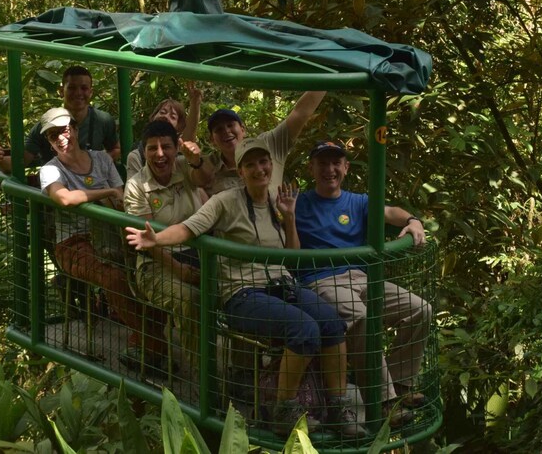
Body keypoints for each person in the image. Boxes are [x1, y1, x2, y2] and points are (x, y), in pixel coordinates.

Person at [126, 138, 366, 438]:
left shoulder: (278, 203)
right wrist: (156, 239)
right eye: (250, 164)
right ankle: (284, 409)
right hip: (242, 294)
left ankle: (338, 408)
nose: (259, 169)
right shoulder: (225, 201)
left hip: (280, 285)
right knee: (304, 330)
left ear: (271, 165)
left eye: (263, 162)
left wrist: (289, 217)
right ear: (240, 171)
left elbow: (291, 258)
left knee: (331, 323)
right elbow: (189, 227)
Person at [293, 140, 431, 427]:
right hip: (321, 281)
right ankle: (383, 401)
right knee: (357, 313)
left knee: (421, 309)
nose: (329, 169)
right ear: (312, 168)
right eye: (322, 163)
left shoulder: (357, 201)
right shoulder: (299, 202)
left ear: (345, 167)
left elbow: (390, 211)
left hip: (360, 278)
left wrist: (413, 221)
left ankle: (400, 385)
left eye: (335, 163)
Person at [37, 107, 170, 372]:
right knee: (113, 277)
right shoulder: (50, 170)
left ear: (74, 129)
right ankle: (152, 341)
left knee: (151, 266)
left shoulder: (100, 159)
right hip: (73, 242)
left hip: (110, 232)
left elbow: (121, 200)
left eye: (64, 131)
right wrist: (105, 191)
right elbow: (64, 198)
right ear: (51, 144)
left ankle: (144, 337)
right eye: (53, 136)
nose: (62, 139)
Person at [123, 120, 214, 363]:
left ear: (177, 148)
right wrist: (179, 271)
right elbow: (148, 240)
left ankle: (242, 370)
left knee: (236, 288)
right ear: (144, 152)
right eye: (152, 148)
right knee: (190, 299)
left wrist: (197, 160)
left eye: (166, 147)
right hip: (156, 264)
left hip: (198, 255)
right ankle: (204, 378)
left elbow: (206, 179)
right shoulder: (135, 186)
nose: (160, 154)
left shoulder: (184, 167)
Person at [0, 65, 120, 172]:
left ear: (90, 92)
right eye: (72, 88)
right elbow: (19, 163)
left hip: (92, 185)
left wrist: (96, 164)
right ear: (61, 91)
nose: (78, 93)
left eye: (84, 88)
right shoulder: (46, 125)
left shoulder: (102, 120)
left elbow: (116, 149)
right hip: (59, 188)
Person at [203, 91, 326, 196]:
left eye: (230, 125)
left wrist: (330, 73)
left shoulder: (268, 143)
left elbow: (300, 113)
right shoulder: (206, 167)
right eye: (219, 129)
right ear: (212, 140)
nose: (226, 131)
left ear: (242, 129)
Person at [125, 82, 202, 179]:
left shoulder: (180, 149)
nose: (165, 117)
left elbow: (188, 137)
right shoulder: (137, 156)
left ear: (179, 128)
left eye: (173, 117)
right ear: (153, 117)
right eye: (163, 112)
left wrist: (195, 103)